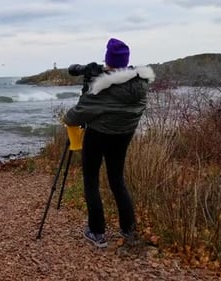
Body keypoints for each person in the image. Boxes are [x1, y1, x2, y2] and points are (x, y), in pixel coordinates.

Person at [63, 38, 155, 248]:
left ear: (108, 59)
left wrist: (89, 89)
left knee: (91, 180)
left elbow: (73, 117)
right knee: (116, 180)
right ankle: (129, 230)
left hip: (99, 136)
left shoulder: (102, 89)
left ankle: (97, 232)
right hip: (123, 136)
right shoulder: (140, 85)